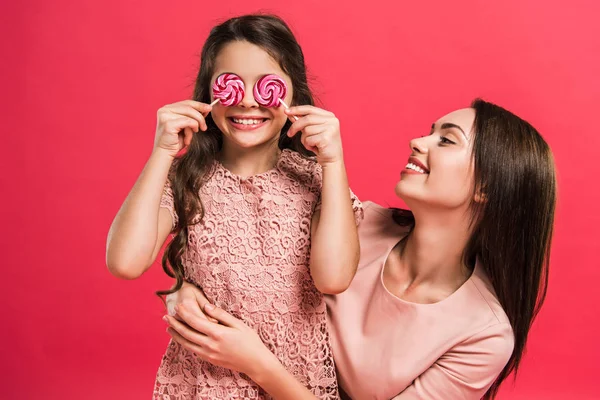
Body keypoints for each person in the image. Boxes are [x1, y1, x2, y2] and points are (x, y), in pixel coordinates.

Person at [164, 99, 557, 399]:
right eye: (429, 131)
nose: (417, 141)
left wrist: (257, 363)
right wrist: (185, 286)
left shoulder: (483, 335)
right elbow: (230, 239)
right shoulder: (354, 224)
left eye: (447, 140)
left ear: (486, 187)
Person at [106, 14, 362, 399]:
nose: (246, 100)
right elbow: (125, 262)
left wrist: (333, 162)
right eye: (230, 84)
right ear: (209, 92)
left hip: (292, 382)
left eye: (267, 86)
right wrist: (162, 152)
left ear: (294, 94)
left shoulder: (317, 181)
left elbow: (334, 278)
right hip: (203, 385)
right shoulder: (184, 178)